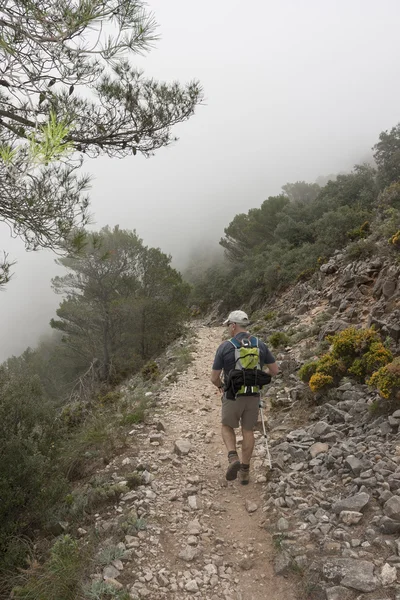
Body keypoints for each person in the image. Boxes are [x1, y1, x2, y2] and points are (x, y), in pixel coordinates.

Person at [210, 310, 278, 485]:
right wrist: (257, 378)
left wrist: (221, 387)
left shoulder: (226, 346)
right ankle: (245, 472)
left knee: (226, 426)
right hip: (253, 395)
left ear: (233, 326)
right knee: (248, 431)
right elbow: (274, 370)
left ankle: (233, 457)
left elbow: (214, 377)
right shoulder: (260, 345)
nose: (227, 329)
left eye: (228, 326)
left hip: (232, 395)